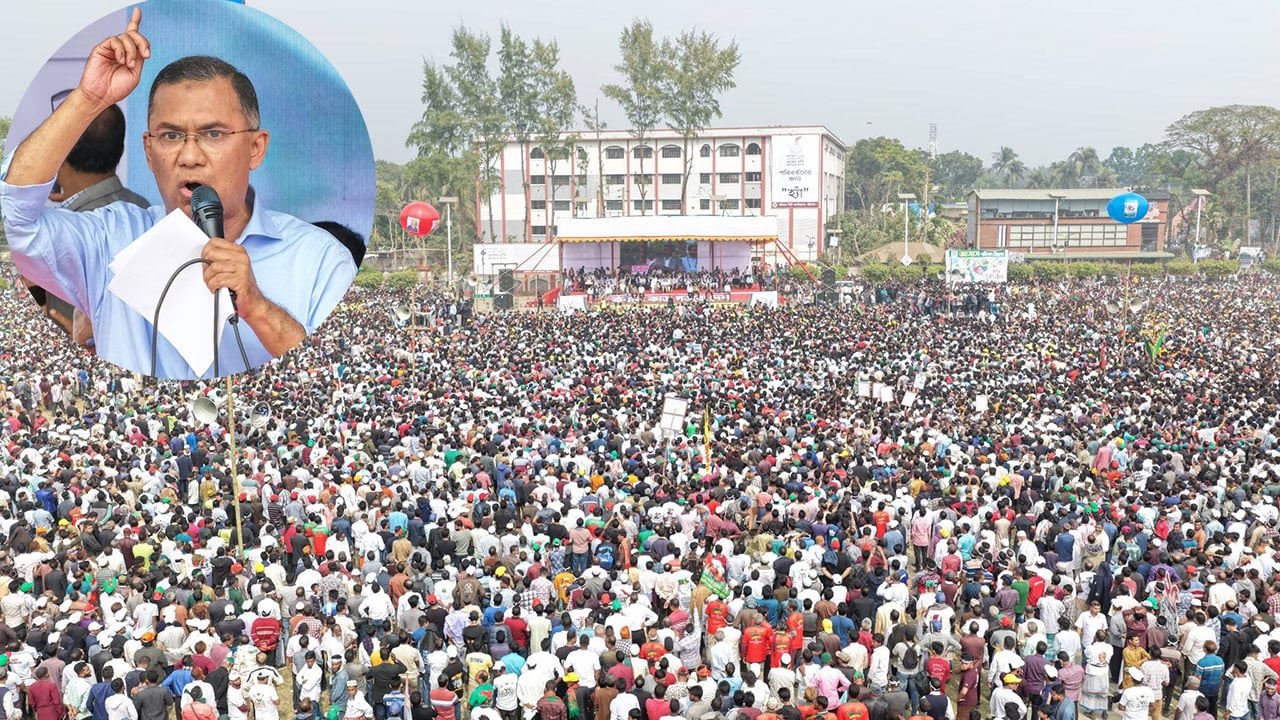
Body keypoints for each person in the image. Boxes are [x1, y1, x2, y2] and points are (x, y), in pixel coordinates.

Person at [1, 7, 356, 379]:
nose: (189, 156)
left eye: (213, 134)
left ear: (255, 148)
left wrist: (259, 308)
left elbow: (334, 377)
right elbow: (16, 218)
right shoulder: (110, 239)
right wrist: (89, 98)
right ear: (149, 152)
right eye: (170, 136)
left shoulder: (320, 260)